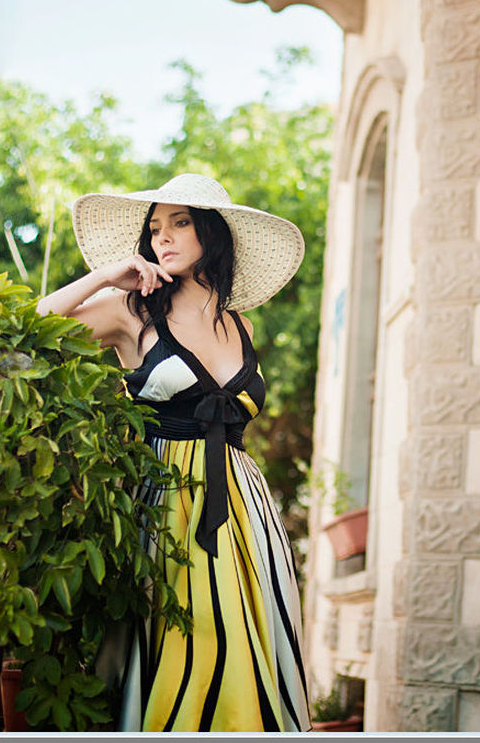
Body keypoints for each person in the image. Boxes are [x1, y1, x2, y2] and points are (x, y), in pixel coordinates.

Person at [36, 173, 311, 732]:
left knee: (244, 641)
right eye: (155, 227)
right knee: (186, 640)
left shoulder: (241, 324)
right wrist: (105, 276)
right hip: (163, 501)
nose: (163, 237)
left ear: (213, 232)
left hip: (243, 510)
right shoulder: (128, 311)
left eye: (180, 222)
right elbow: (27, 329)